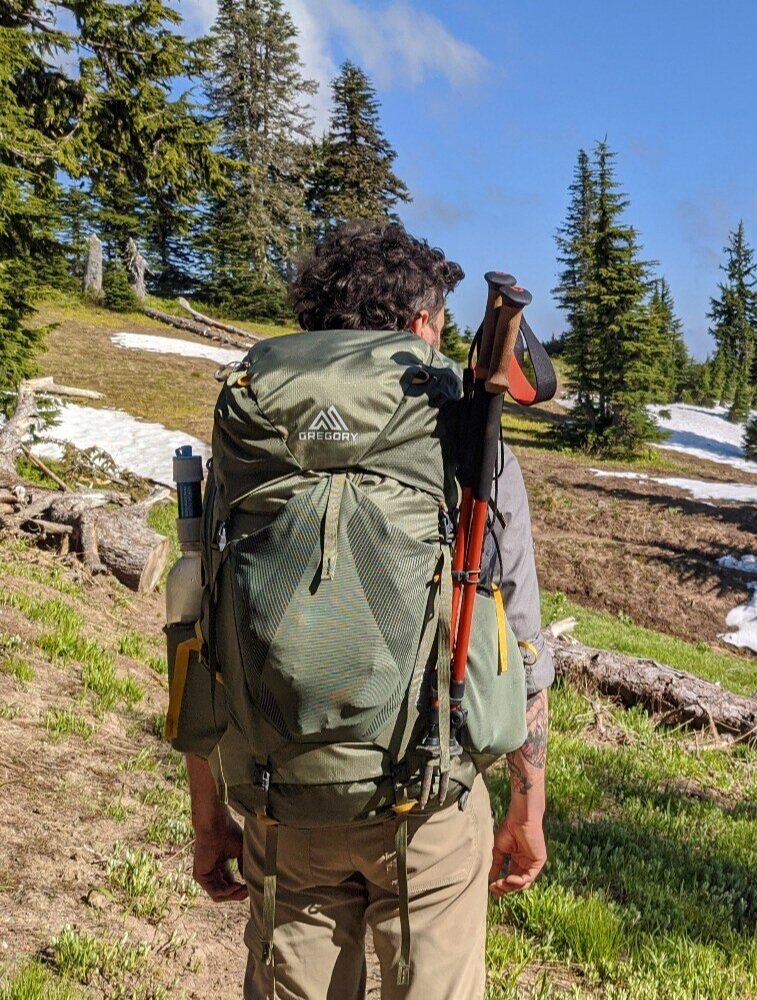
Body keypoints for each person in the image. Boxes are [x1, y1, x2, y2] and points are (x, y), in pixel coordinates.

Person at [183, 223, 553, 998]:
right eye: (443, 323)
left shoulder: (254, 427)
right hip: (427, 800)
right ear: (419, 327)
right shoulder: (461, 426)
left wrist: (209, 815)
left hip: (284, 801)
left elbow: (202, 624)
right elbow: (518, 640)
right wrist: (528, 803)